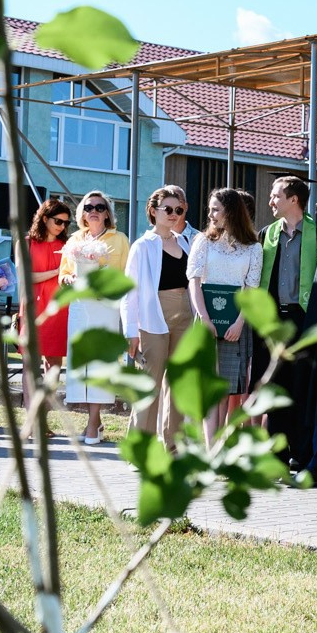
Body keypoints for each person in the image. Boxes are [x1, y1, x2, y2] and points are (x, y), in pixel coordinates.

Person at [253, 175, 317, 474]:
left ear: (293, 199)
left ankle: (301, 452)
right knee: (274, 387)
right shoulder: (266, 235)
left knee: (301, 388)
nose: (270, 201)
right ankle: (277, 454)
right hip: (273, 321)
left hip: (302, 319)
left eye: (275, 196)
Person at [186, 186, 263, 440]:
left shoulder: (253, 248)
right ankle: (209, 450)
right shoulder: (203, 242)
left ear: (230, 211)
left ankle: (216, 448)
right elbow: (194, 281)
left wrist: (240, 322)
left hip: (236, 326)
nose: (210, 215)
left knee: (226, 391)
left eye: (215, 209)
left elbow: (251, 288)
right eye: (210, 209)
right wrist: (204, 318)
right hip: (205, 322)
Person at [123, 185, 196, 449]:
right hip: (153, 316)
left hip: (185, 314)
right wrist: (130, 331)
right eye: (168, 209)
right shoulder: (142, 246)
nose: (174, 214)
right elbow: (129, 291)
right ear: (153, 211)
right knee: (149, 383)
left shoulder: (186, 242)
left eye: (179, 209)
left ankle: (172, 447)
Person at [58, 191, 127, 446]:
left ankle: (92, 423)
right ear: (83, 214)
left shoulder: (119, 239)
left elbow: (126, 275)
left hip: (105, 307)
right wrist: (68, 279)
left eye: (100, 207)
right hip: (79, 306)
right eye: (89, 207)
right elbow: (63, 274)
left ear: (107, 213)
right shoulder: (74, 239)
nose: (94, 211)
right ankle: (94, 423)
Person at [23, 197, 73, 368]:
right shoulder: (27, 243)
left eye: (66, 223)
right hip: (33, 306)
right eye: (58, 221)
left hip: (59, 307)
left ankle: (50, 388)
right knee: (30, 361)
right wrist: (56, 272)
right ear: (45, 218)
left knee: (54, 360)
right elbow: (25, 276)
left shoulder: (68, 246)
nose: (62, 226)